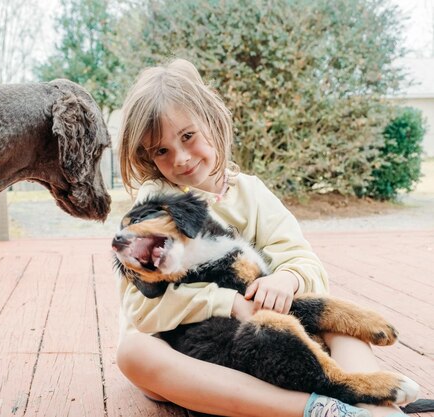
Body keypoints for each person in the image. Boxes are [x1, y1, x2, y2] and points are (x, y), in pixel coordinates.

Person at [115, 58, 407, 417]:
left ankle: (376, 406)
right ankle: (318, 409)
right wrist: (229, 304)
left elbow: (302, 260)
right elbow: (140, 307)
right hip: (195, 358)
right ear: (148, 155)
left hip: (268, 339)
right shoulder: (155, 205)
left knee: (342, 324)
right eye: (162, 150)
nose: (181, 158)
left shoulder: (251, 193)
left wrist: (287, 278)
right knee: (133, 353)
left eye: (188, 136)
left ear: (212, 119)